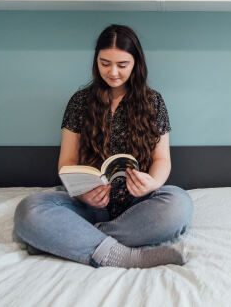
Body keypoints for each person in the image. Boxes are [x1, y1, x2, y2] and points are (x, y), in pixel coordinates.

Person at [14, 24, 192, 268]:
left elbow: (162, 159)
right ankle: (124, 255)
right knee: (29, 210)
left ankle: (74, 238)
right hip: (86, 206)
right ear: (96, 61)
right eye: (105, 63)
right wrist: (84, 193)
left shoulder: (153, 102)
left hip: (137, 208)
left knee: (179, 204)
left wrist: (151, 183)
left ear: (136, 63)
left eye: (122, 65)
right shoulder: (80, 101)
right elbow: (66, 162)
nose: (113, 72)